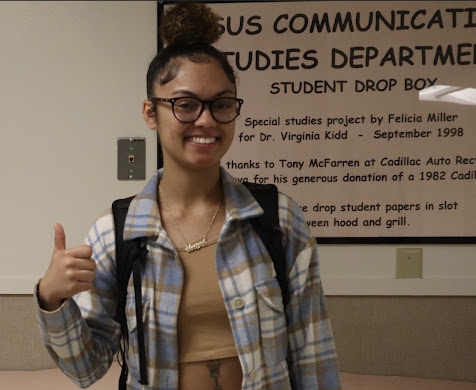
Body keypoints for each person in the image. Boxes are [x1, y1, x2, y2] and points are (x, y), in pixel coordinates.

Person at [35, 3, 341, 390]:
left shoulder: (277, 219)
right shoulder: (116, 233)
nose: (206, 120)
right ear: (151, 113)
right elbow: (86, 368)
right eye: (185, 104)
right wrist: (51, 298)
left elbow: (312, 353)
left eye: (222, 104)